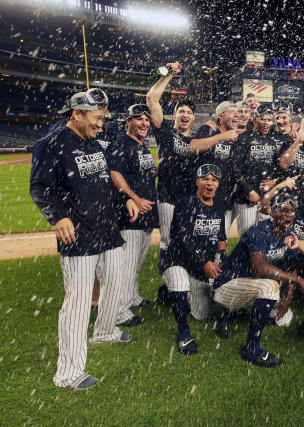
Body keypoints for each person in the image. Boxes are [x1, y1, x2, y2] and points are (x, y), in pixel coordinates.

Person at [30, 90, 139, 389]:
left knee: (116, 281)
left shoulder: (93, 143)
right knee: (77, 303)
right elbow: (40, 187)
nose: (101, 124)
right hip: (78, 232)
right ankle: (68, 373)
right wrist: (58, 216)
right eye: (97, 118)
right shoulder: (50, 145)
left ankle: (104, 330)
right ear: (76, 114)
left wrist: (124, 199)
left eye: (103, 119)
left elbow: (102, 180)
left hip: (106, 227)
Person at [213, 192, 304, 367]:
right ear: (273, 212)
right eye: (284, 210)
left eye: (292, 212)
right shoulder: (258, 231)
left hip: (251, 287)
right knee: (270, 287)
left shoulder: (288, 233)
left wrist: (287, 299)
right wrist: (299, 281)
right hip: (228, 285)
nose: (288, 215)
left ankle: (232, 316)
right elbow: (260, 267)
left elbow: (292, 266)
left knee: (284, 318)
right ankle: (252, 348)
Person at [160, 164, 227, 355]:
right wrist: (205, 262)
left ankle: (166, 294)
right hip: (176, 261)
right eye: (205, 179)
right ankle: (184, 334)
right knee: (180, 284)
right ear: (197, 182)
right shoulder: (185, 203)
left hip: (199, 267)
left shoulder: (219, 208)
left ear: (217, 185)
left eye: (214, 180)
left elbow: (221, 238)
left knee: (201, 315)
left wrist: (222, 257)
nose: (210, 183)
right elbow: (184, 238)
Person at [146, 61, 197, 300]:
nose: (185, 115)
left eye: (188, 112)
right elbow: (152, 100)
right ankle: (169, 288)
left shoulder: (195, 141)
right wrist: (169, 75)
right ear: (175, 115)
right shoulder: (166, 132)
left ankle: (181, 284)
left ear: (193, 117)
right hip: (167, 197)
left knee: (186, 241)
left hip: (187, 198)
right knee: (167, 243)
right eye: (181, 111)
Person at [107, 104, 159, 327]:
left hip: (145, 214)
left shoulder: (141, 145)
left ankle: (131, 297)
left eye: (147, 120)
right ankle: (118, 310)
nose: (144, 123)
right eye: (139, 119)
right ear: (128, 121)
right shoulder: (121, 142)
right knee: (126, 265)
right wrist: (134, 198)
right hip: (130, 213)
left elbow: (141, 172)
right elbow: (114, 172)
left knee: (136, 262)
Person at [190, 101, 241, 237]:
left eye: (238, 113)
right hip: (206, 196)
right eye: (232, 112)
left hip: (226, 197)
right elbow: (194, 147)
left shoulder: (236, 137)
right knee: (202, 237)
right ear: (220, 116)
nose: (236, 115)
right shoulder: (208, 129)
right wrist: (222, 136)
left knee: (221, 239)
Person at [232, 103, 282, 236]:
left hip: (266, 199)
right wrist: (249, 190)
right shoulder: (244, 138)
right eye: (262, 119)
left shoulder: (273, 141)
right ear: (254, 120)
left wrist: (275, 182)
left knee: (265, 236)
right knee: (247, 237)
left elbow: (279, 169)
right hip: (246, 199)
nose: (266, 123)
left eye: (269, 120)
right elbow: (235, 169)